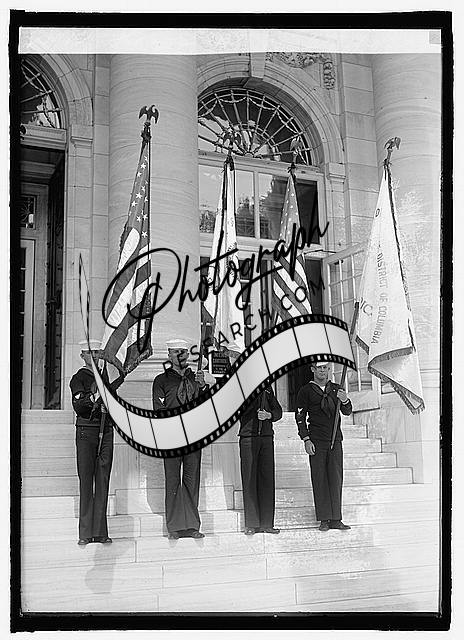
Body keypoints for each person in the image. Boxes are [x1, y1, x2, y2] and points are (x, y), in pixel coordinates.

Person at [152, 339, 214, 540]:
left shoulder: (196, 379)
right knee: (173, 481)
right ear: (169, 355)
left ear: (187, 355)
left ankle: (192, 525)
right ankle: (174, 527)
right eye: (175, 352)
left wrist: (203, 387)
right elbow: (159, 410)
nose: (180, 355)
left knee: (191, 480)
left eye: (183, 352)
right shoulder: (161, 380)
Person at [295, 361, 353, 532]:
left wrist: (345, 400)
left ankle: (336, 519)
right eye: (319, 368)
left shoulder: (336, 389)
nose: (322, 371)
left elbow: (347, 411)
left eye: (325, 368)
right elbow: (300, 417)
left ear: (328, 369)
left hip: (335, 439)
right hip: (316, 440)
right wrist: (306, 439)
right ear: (313, 369)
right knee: (319, 479)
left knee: (336, 478)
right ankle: (324, 519)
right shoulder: (305, 391)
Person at [69, 340, 114, 546]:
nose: (94, 356)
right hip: (87, 431)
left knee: (103, 480)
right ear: (82, 356)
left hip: (106, 430)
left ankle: (100, 532)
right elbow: (79, 405)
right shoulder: (78, 378)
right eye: (90, 353)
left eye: (97, 352)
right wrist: (95, 397)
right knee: (87, 481)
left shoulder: (106, 377)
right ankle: (86, 533)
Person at [238, 387, 283, 535]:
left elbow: (278, 411)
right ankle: (251, 524)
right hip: (248, 436)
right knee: (250, 480)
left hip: (266, 437)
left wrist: (269, 415)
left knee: (267, 480)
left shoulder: (267, 389)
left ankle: (267, 523)